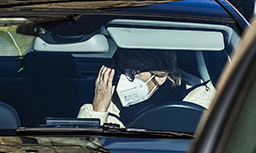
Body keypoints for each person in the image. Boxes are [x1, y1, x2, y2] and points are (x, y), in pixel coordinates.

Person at [77, 48, 215, 127]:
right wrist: (98, 111)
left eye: (133, 72)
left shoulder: (197, 100)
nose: (124, 78)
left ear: (160, 76)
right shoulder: (107, 101)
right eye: (121, 70)